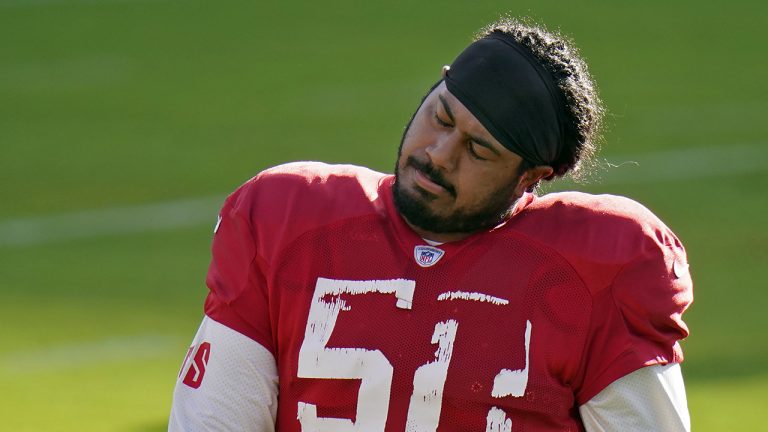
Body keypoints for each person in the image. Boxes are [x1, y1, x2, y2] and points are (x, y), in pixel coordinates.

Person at [169, 18, 693, 432]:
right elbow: (214, 420)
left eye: (478, 150)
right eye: (441, 118)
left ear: (531, 177)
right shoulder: (288, 219)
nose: (439, 155)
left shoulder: (598, 267)